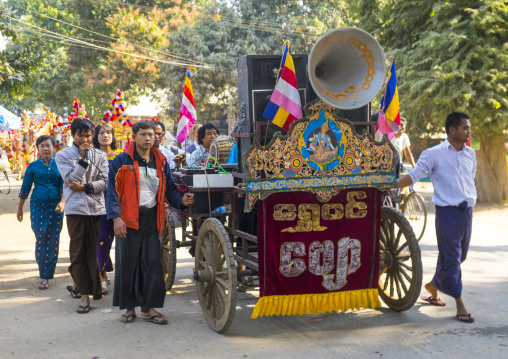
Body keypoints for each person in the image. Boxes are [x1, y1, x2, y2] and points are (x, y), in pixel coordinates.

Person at [107, 120, 194, 324]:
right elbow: (111, 192)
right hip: (128, 219)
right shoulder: (121, 161)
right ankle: (129, 308)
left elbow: (170, 188)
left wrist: (180, 200)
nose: (148, 138)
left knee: (154, 263)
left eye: (152, 134)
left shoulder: (161, 161)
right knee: (128, 264)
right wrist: (116, 218)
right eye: (143, 134)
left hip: (153, 218)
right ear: (134, 136)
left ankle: (149, 308)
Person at [397, 112, 476, 323]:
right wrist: (392, 185)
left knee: (460, 256)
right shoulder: (433, 154)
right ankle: (460, 304)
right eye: (465, 128)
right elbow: (414, 175)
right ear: (452, 130)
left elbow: (470, 180)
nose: (469, 131)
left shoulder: (470, 154)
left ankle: (433, 285)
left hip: (466, 212)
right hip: (447, 213)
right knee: (452, 260)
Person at [55, 118, 109, 314]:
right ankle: (84, 297)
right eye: (81, 135)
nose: (85, 139)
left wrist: (86, 187)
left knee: (92, 252)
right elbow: (71, 180)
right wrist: (83, 160)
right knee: (78, 251)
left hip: (96, 210)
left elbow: (105, 183)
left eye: (88, 135)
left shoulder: (101, 155)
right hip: (75, 210)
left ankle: (80, 286)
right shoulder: (62, 155)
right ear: (73, 135)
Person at [17, 135, 65, 290]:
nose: (45, 149)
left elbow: (64, 187)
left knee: (53, 239)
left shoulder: (60, 165)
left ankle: (45, 274)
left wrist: (62, 202)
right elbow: (25, 189)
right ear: (37, 149)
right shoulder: (32, 166)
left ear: (54, 147)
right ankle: (43, 270)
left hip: (56, 206)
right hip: (38, 205)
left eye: (48, 146)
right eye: (42, 146)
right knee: (41, 236)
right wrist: (19, 208)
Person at [92, 123, 123, 294]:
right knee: (102, 239)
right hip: (98, 203)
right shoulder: (93, 155)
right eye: (102, 133)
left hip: (120, 203)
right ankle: (102, 276)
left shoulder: (121, 155)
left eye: (109, 132)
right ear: (96, 137)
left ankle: (122, 278)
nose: (106, 135)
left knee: (122, 240)